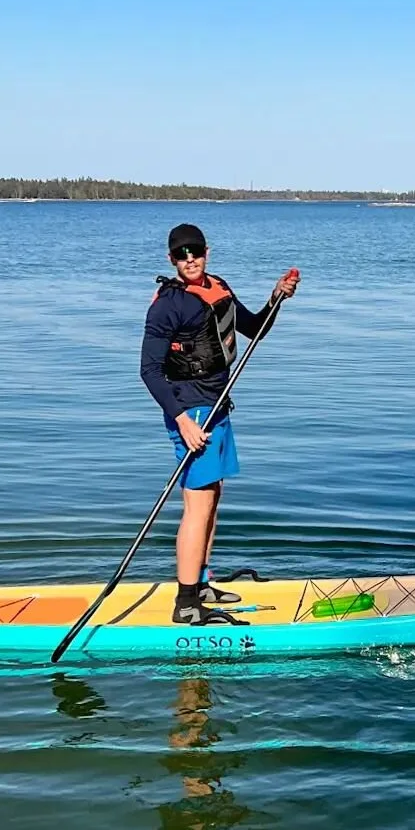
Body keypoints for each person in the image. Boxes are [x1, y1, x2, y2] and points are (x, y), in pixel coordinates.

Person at [139, 222, 299, 624]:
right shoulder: (167, 305)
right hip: (191, 410)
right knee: (197, 503)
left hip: (217, 406)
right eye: (181, 254)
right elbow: (149, 372)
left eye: (195, 252)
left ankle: (202, 580)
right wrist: (182, 422)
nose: (189, 259)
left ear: (207, 251)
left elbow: (254, 330)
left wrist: (276, 298)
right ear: (170, 259)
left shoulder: (219, 287)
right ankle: (187, 603)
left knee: (213, 495)